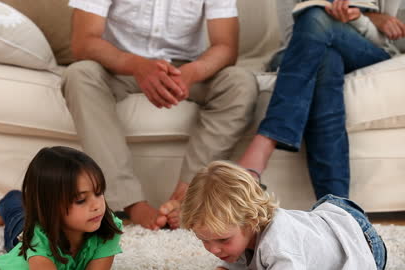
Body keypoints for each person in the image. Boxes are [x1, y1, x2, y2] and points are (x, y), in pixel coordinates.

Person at [63, 0, 258, 230]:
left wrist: (192, 72)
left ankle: (188, 198)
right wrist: (137, 66)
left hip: (184, 69)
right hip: (118, 65)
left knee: (240, 83)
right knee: (79, 75)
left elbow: (226, 46)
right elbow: (83, 42)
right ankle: (130, 204)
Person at [238, 0, 405, 199]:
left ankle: (266, 140)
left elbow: (397, 38)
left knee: (316, 18)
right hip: (302, 51)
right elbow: (296, 38)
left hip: (366, 51)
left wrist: (363, 18)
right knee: (326, 59)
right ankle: (336, 208)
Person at [181, 161, 387, 270]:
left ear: (251, 221)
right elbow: (235, 260)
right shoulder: (240, 234)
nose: (214, 249)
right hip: (326, 215)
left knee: (300, 240)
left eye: (223, 239)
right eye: (203, 240)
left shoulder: (279, 247)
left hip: (362, 241)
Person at [0, 146, 123, 270]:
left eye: (99, 193)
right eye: (81, 200)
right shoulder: (37, 241)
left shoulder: (109, 227)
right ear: (51, 207)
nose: (97, 205)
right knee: (17, 214)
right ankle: (8, 202)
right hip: (27, 231)